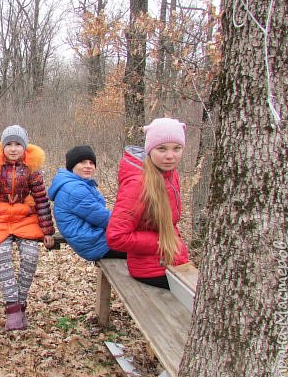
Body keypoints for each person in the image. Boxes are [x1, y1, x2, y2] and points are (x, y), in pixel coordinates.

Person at [0, 125, 55, 331]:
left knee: (31, 255)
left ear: (25, 147)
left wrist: (48, 230)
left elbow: (42, 200)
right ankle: (12, 310)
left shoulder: (32, 169)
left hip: (25, 217)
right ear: (2, 147)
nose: (13, 149)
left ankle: (20, 304)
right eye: (9, 144)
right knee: (3, 254)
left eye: (18, 144)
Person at [106, 117, 190, 289]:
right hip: (152, 269)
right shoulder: (139, 183)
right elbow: (116, 237)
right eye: (161, 149)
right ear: (149, 150)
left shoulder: (170, 174)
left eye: (177, 148)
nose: (170, 156)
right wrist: (159, 242)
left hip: (169, 261)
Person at [48, 145, 126, 261]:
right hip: (96, 243)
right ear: (72, 166)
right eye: (82, 162)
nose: (88, 166)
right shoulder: (74, 189)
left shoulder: (77, 184)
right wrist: (130, 225)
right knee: (146, 249)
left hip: (94, 240)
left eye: (91, 163)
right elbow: (103, 218)